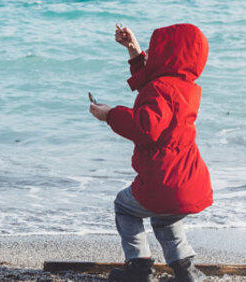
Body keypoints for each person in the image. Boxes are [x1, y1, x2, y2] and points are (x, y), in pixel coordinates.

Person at [89, 24, 212, 282]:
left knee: (124, 206)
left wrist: (109, 114)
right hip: (190, 181)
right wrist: (134, 50)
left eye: (156, 50)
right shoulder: (187, 87)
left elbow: (145, 128)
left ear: (165, 55)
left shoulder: (161, 89)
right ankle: (185, 269)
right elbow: (153, 81)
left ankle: (139, 267)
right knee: (166, 218)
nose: (152, 54)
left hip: (162, 181)